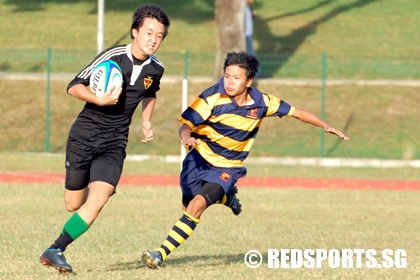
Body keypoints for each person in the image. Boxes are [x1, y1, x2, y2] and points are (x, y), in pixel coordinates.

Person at [141, 52, 349, 269]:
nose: (229, 82)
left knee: (196, 206)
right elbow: (186, 126)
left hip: (228, 166)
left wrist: (325, 125)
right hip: (197, 159)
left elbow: (297, 112)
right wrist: (186, 137)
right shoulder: (211, 97)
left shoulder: (262, 103)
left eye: (236, 78)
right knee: (188, 205)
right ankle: (227, 198)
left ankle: (160, 254)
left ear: (249, 81)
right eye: (227, 76)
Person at [39, 4, 170, 274]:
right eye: (148, 33)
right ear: (135, 31)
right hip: (85, 135)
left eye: (159, 36)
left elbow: (150, 93)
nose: (153, 40)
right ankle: (93, 189)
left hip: (115, 141)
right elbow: (73, 86)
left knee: (100, 197)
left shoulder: (156, 68)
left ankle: (55, 249)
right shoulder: (113, 57)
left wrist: (146, 121)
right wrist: (98, 98)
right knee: (73, 204)